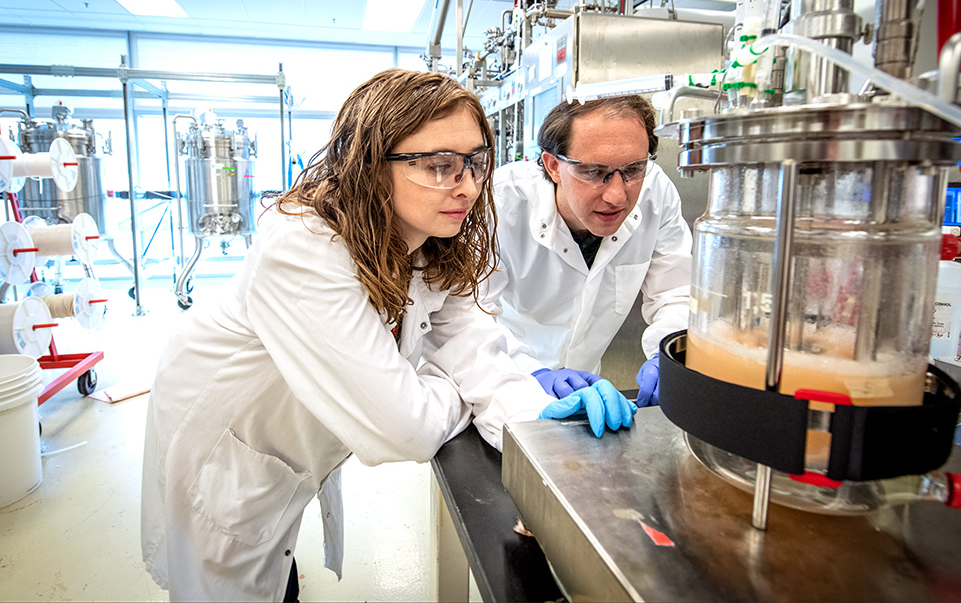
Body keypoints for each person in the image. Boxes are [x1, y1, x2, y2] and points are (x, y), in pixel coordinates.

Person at [140, 69, 635, 602]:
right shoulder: (304, 249)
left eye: (474, 161)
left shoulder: (426, 244)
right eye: (440, 166)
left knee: (272, 561)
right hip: (227, 432)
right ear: (371, 166)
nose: (468, 186)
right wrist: (445, 386)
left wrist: (534, 416)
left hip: (290, 438)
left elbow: (474, 346)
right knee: (231, 573)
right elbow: (406, 431)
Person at [485, 95, 693, 407]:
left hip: (585, 388)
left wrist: (671, 353)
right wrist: (531, 372)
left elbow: (675, 292)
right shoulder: (501, 202)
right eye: (595, 172)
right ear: (553, 165)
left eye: (634, 169)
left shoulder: (656, 194)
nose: (617, 195)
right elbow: (471, 315)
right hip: (503, 379)